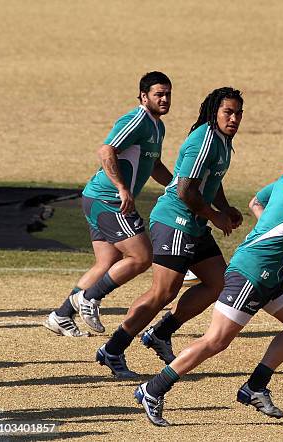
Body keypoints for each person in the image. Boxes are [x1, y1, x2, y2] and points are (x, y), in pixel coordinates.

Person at [133, 127, 283, 426]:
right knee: (215, 341)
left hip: (269, 273)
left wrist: (274, 235)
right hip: (252, 272)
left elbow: (255, 202)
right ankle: (153, 389)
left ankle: (255, 387)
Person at [96, 87, 244, 378]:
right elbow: (185, 189)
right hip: (175, 221)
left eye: (239, 113)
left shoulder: (224, 141)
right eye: (228, 112)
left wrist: (225, 207)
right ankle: (113, 349)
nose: (235, 118)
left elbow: (211, 179)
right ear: (214, 112)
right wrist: (215, 215)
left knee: (218, 284)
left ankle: (161, 333)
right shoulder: (204, 139)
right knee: (163, 292)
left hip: (195, 223)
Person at [44, 71, 173, 337]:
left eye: (168, 94)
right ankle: (89, 298)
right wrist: (123, 188)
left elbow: (154, 165)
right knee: (141, 256)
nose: (164, 99)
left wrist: (175, 188)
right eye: (158, 94)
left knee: (107, 262)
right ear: (143, 96)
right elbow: (106, 151)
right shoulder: (136, 120)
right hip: (109, 199)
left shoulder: (157, 126)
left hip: (97, 198)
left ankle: (61, 315)